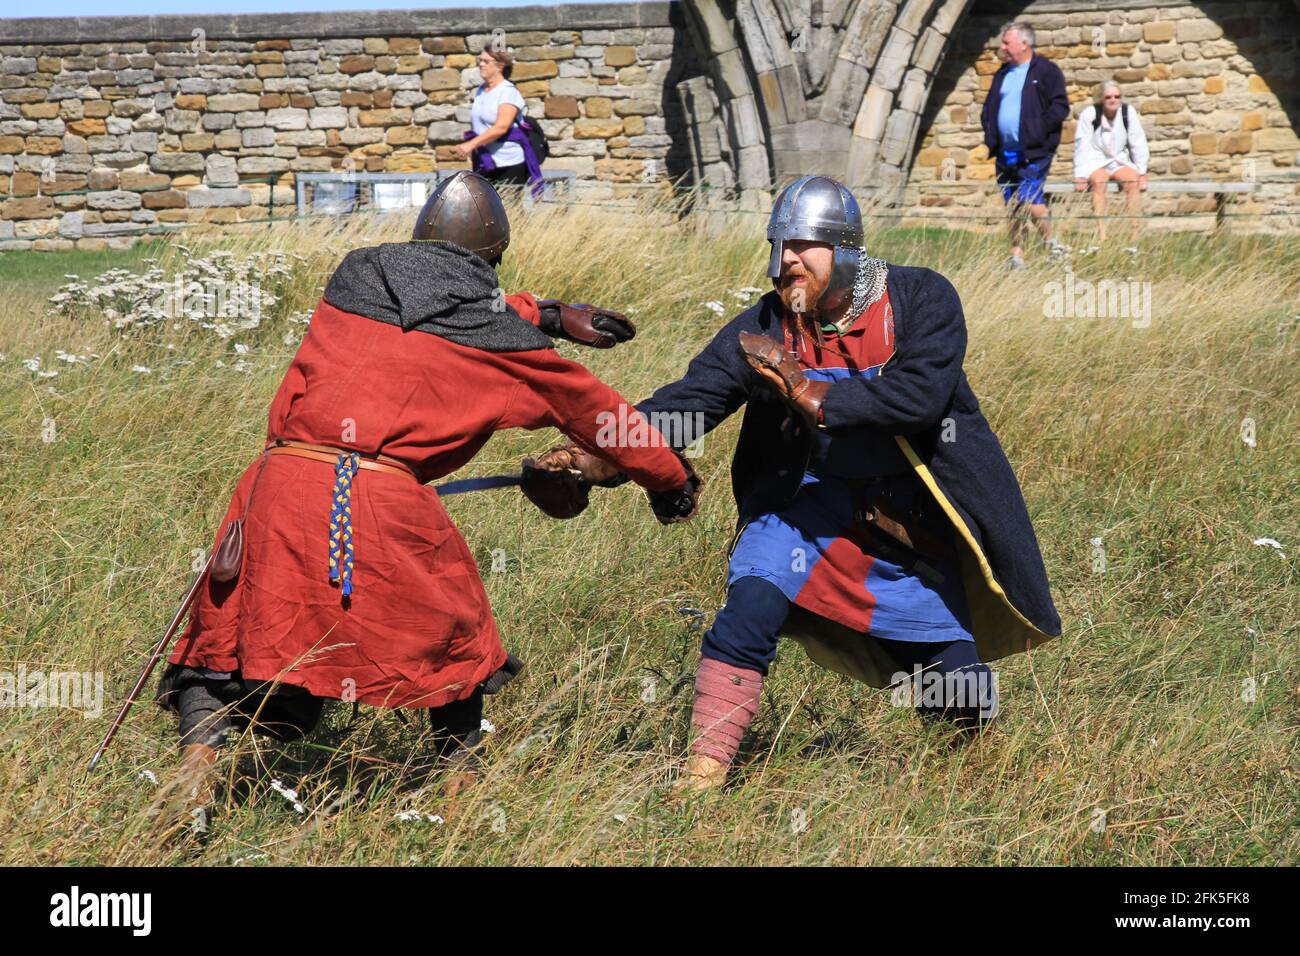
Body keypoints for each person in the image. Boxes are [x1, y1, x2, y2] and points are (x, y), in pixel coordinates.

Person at [156, 171, 697, 828]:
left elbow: (433, 301)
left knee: (226, 635)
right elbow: (599, 415)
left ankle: (195, 775)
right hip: (374, 497)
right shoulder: (503, 343)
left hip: (273, 483)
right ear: (493, 260)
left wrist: (544, 313)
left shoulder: (357, 278)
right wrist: (670, 480)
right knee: (459, 634)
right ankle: (459, 789)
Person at [533, 176, 1061, 791]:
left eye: (804, 245)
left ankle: (980, 778)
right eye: (780, 244)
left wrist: (812, 393)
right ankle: (699, 784)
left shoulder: (919, 299)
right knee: (748, 608)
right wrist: (597, 453)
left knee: (956, 688)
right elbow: (690, 405)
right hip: (799, 509)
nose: (787, 260)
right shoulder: (765, 325)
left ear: (846, 250)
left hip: (905, 525)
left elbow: (919, 398)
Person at [981, 21, 1070, 269]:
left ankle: (1053, 245)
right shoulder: (1002, 73)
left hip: (1034, 151)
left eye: (1006, 42)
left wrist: (1037, 131)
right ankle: (1017, 257)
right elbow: (989, 106)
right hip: (1005, 152)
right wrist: (989, 128)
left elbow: (1060, 107)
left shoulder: (1046, 71)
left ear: (1024, 43)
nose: (1002, 47)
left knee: (1030, 199)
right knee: (1013, 205)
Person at [457, 45, 543, 198]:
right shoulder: (481, 90)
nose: (481, 64)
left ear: (499, 66)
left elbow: (501, 127)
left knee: (507, 210)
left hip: (508, 161)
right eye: (480, 60)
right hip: (485, 160)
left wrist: (471, 144)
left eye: (486, 61)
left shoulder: (508, 92)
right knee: (485, 210)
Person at [1073, 81, 1149, 247]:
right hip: (1095, 160)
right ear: (1101, 99)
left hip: (1119, 158)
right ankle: (1102, 233)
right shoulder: (1090, 114)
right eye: (1108, 97)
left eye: (1117, 96)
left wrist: (1142, 170)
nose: (1113, 100)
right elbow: (1082, 143)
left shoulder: (1127, 112)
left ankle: (1135, 234)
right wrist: (1080, 174)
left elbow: (1137, 140)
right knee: (1099, 183)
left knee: (1132, 181)